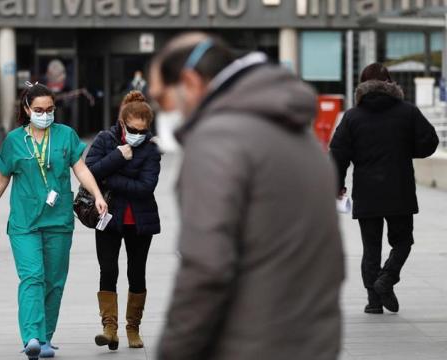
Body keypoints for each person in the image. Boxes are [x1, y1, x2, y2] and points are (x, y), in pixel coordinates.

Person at [151, 32, 345, 360]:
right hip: (315, 342)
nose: (162, 110)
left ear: (189, 82)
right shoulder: (299, 134)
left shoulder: (216, 140)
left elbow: (205, 270)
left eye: (161, 99)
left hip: (248, 345)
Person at [0, 83, 108, 360]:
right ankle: (32, 337)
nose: (45, 114)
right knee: (32, 277)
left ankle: (46, 337)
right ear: (26, 109)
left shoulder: (65, 136)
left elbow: (80, 167)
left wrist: (97, 194)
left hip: (58, 220)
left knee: (54, 281)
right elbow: (1, 177)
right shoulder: (15, 140)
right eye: (38, 110)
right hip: (24, 222)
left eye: (50, 109)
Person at [330, 63, 438, 314]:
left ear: (361, 85)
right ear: (390, 83)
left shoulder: (352, 117)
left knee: (371, 248)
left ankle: (374, 301)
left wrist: (338, 185)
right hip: (399, 188)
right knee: (403, 241)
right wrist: (405, 150)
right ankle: (387, 279)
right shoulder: (407, 112)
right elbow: (430, 142)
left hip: (367, 191)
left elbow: (337, 154)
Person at [85, 91, 161, 351]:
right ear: (122, 122)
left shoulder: (151, 149)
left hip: (140, 220)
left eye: (142, 130)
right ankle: (109, 327)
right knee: (108, 270)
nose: (136, 134)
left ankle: (133, 328)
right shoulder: (105, 140)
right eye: (132, 129)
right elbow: (90, 172)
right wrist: (118, 157)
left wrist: (111, 178)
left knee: (136, 273)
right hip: (108, 217)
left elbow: (146, 187)